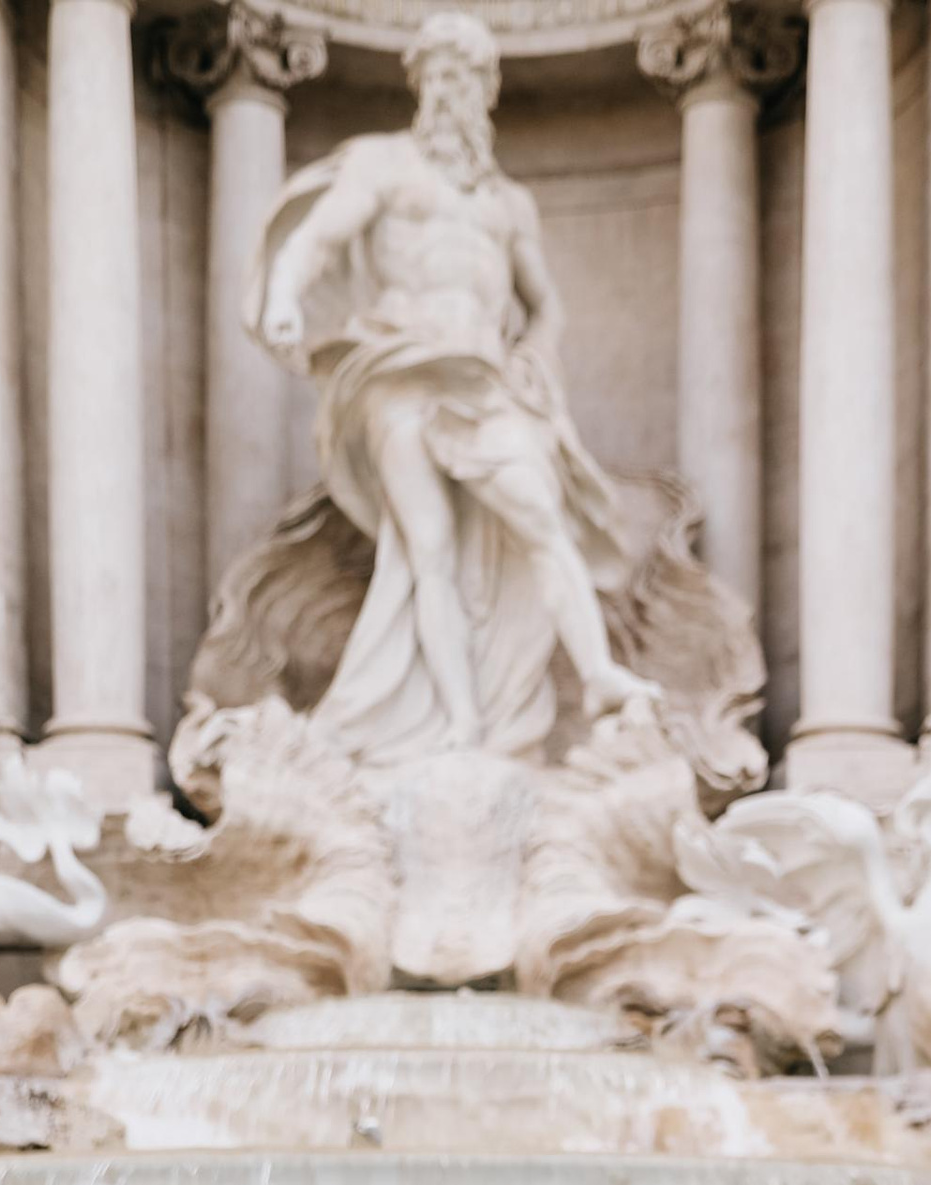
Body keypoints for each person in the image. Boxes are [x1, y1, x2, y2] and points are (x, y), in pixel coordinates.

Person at [250, 8, 646, 759]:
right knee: (426, 546)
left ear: (487, 91)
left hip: (483, 379)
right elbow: (319, 238)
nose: (450, 92)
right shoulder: (382, 165)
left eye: (465, 77)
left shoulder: (507, 203)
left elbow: (546, 305)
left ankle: (597, 674)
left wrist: (536, 350)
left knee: (541, 517)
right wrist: (281, 297)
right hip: (397, 368)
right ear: (419, 85)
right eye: (437, 75)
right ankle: (463, 723)